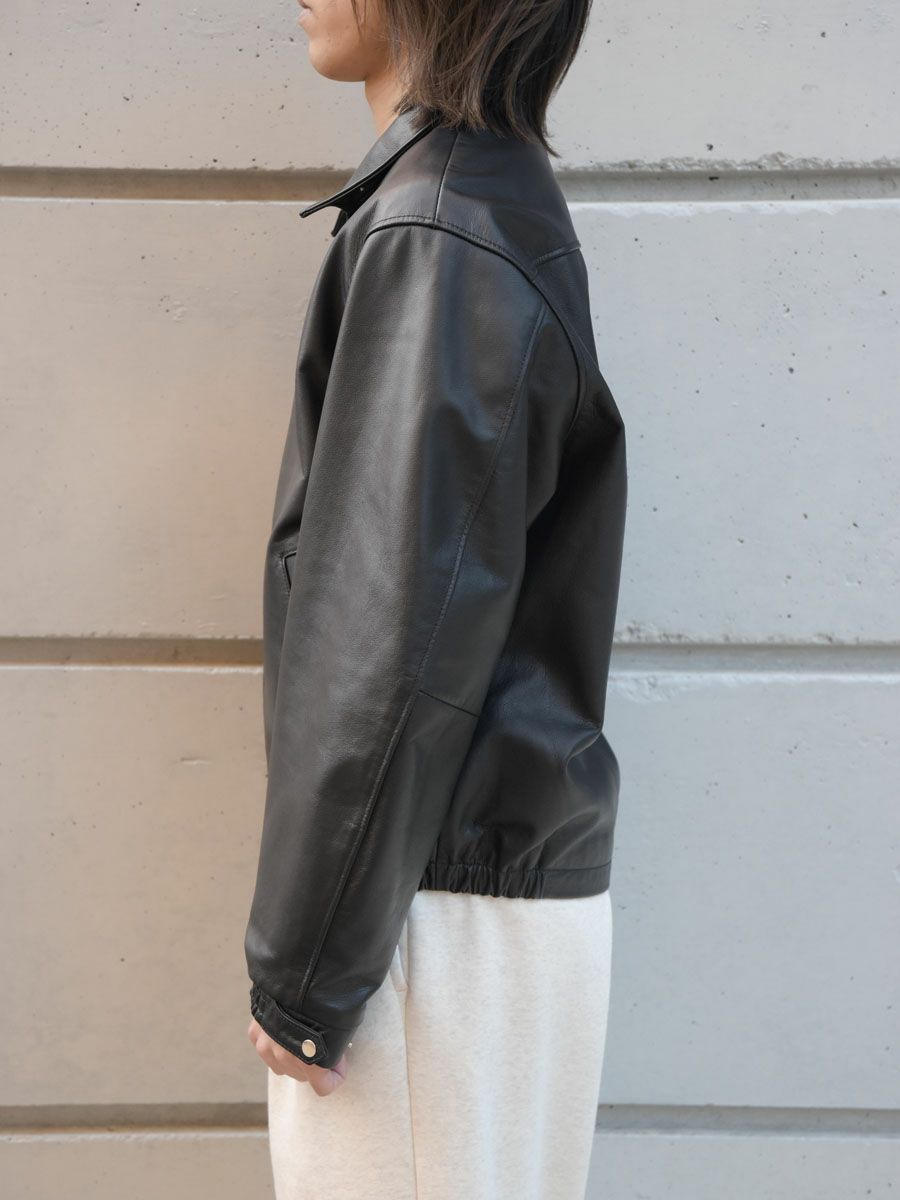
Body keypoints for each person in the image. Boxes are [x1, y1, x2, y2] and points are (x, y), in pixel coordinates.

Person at [244, 0, 627, 1196]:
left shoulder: (440, 228)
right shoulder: (484, 204)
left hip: (422, 931)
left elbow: (393, 635)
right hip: (464, 920)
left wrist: (307, 972)